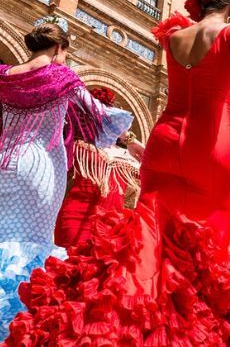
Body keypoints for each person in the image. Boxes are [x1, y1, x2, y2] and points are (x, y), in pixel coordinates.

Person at [6, 0, 230, 345]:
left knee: (146, 245)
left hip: (162, 142)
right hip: (209, 148)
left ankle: (121, 329)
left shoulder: (175, 36)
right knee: (202, 257)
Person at [0, 19, 134, 340]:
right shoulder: (62, 75)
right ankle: (16, 326)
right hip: (41, 168)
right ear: (59, 48)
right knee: (33, 245)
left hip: (4, 163)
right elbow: (100, 116)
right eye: (66, 53)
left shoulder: (6, 75)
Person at [53, 86, 144, 248]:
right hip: (73, 219)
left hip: (111, 231)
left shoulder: (130, 157)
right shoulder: (77, 146)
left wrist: (130, 140)